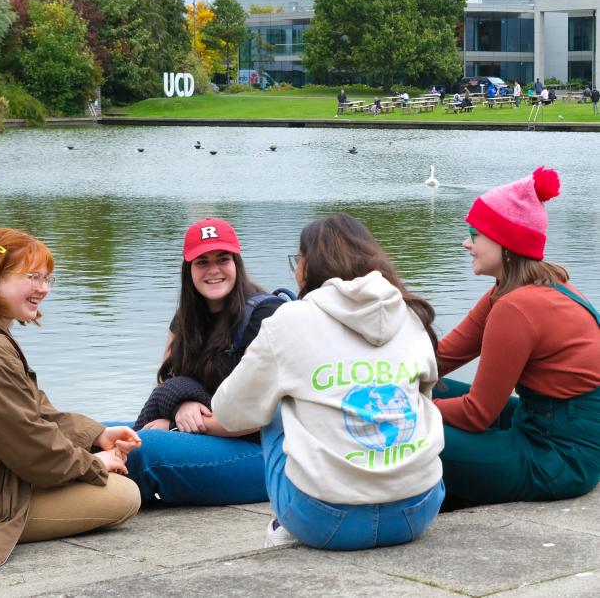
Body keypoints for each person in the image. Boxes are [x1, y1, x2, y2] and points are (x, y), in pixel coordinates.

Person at [212, 213, 445, 550]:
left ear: (309, 265)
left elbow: (231, 412)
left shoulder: (290, 319)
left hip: (325, 522)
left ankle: (284, 523)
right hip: (417, 511)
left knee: (277, 401)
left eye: (298, 260)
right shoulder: (411, 315)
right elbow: (426, 395)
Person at [0, 228, 142, 569]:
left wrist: (95, 434)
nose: (44, 288)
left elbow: (33, 411)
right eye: (32, 277)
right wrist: (94, 463)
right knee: (125, 497)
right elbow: (31, 447)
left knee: (118, 458)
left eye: (47, 279)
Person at [433, 167, 600, 507]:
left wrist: (400, 411)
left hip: (560, 459)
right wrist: (378, 376)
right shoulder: (531, 286)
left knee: (403, 434)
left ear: (504, 243)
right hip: (541, 423)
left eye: (474, 234)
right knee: (429, 386)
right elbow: (439, 359)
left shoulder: (517, 306)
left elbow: (477, 412)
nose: (466, 243)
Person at [126, 218, 286, 506]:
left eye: (222, 259)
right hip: (211, 437)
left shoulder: (264, 315)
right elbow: (167, 381)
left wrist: (177, 423)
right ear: (189, 270)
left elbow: (256, 415)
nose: (213, 270)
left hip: (264, 453)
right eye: (202, 262)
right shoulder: (187, 317)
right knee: (103, 434)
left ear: (236, 263)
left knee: (142, 448)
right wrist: (178, 405)